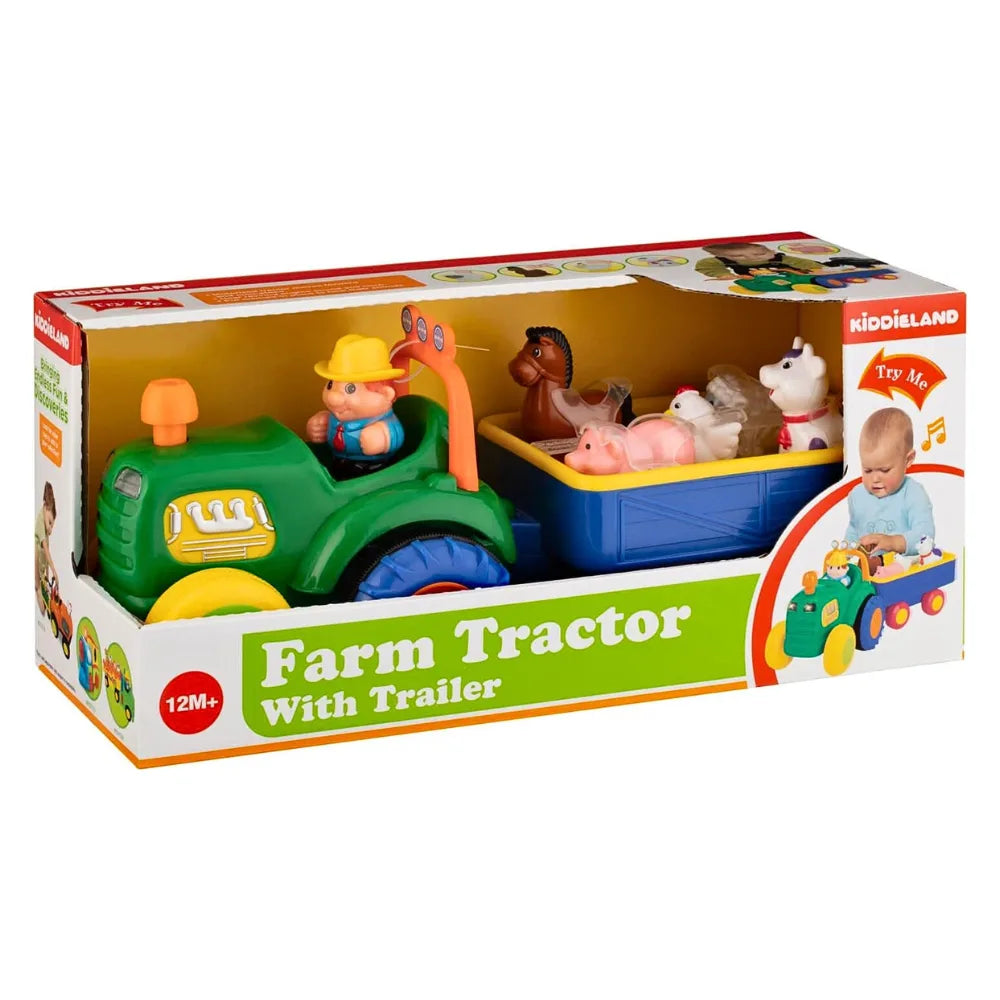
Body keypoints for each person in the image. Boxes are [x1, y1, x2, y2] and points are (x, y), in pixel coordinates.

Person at [846, 407, 935, 572]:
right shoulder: (857, 496)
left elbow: (926, 535)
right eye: (867, 470)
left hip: (902, 570)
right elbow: (853, 530)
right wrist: (846, 552)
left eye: (884, 470)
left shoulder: (913, 494)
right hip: (866, 572)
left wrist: (893, 542)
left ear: (908, 460)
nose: (875, 478)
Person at [305, 335, 405, 478]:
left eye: (350, 389)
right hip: (338, 463)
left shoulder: (384, 421)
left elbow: (396, 433)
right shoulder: (334, 419)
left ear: (384, 394)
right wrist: (318, 427)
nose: (333, 397)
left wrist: (383, 437)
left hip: (375, 469)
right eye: (331, 385)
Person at [695, 242, 824, 279]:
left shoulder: (780, 258)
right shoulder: (722, 261)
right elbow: (705, 264)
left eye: (761, 253)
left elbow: (804, 263)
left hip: (792, 276)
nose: (751, 258)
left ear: (772, 251)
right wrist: (723, 274)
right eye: (739, 256)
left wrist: (815, 269)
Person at [35, 482, 58, 614]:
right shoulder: (40, 525)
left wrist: (49, 578)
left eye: (53, 524)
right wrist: (55, 572)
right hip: (37, 551)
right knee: (43, 609)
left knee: (47, 593)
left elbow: (47, 555)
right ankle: (37, 588)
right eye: (50, 523)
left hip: (43, 557)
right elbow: (46, 551)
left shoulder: (48, 514)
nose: (51, 529)